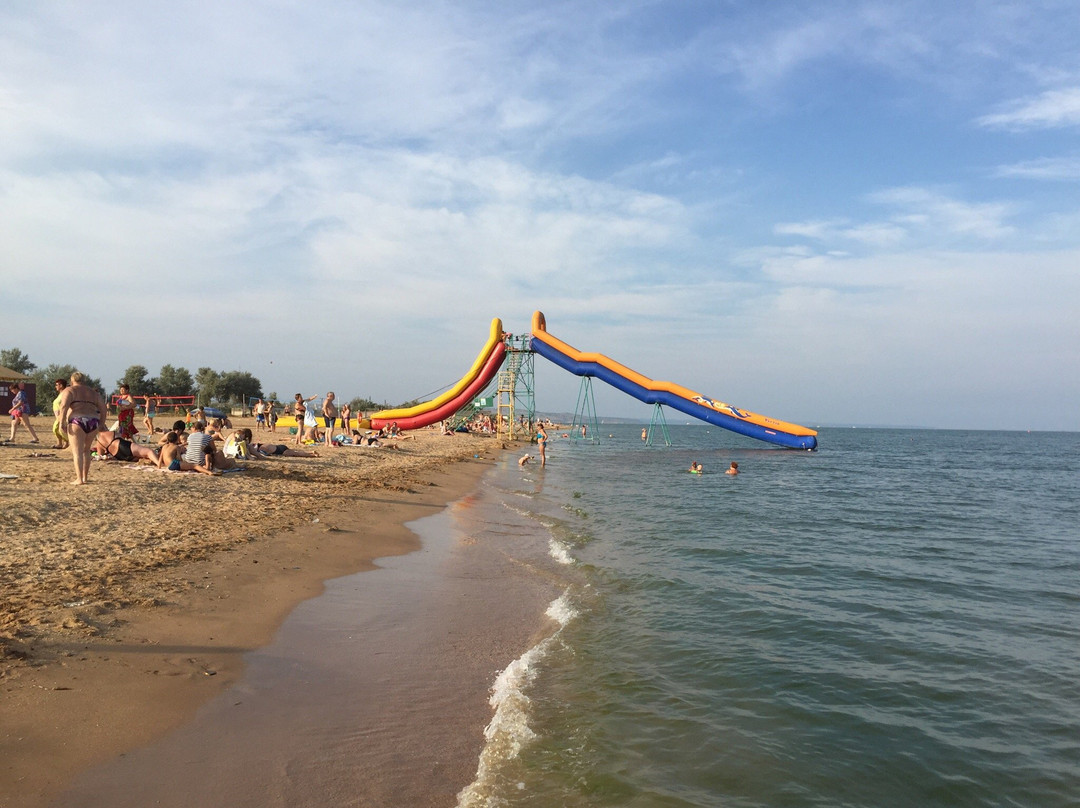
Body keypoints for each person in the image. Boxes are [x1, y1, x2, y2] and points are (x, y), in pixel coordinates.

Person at [57, 372, 109, 485]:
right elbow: (103, 408)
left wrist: (62, 422)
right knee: (86, 450)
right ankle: (85, 477)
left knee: (77, 452)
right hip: (93, 421)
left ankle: (79, 479)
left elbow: (64, 406)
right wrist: (101, 422)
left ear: (72, 380)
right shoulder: (92, 392)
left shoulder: (70, 390)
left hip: (77, 421)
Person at [93, 429, 159, 463]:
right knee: (149, 451)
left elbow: (101, 456)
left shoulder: (99, 443)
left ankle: (157, 461)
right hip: (122, 445)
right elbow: (121, 436)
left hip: (119, 455)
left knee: (144, 457)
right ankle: (159, 464)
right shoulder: (108, 432)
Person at [51, 378, 69, 449]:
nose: (56, 386)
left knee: (60, 429)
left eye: (57, 385)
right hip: (57, 416)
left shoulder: (64, 394)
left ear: (61, 385)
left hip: (61, 415)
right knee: (56, 429)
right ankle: (60, 443)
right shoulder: (60, 394)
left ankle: (67, 442)